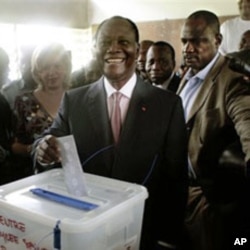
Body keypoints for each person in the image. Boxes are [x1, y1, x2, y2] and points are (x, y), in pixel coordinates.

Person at [33, 16, 188, 250]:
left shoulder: (168, 104)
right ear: (95, 49)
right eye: (105, 42)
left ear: (137, 50)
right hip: (86, 229)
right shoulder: (74, 101)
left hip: (142, 229)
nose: (113, 48)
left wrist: (167, 235)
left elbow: (176, 179)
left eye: (123, 41)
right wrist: (43, 150)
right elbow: (49, 141)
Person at [177, 10, 250, 250]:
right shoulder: (188, 76)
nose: (189, 48)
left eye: (198, 41)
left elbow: (246, 120)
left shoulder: (232, 78)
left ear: (217, 41)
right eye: (185, 41)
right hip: (179, 195)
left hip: (210, 201)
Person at [12, 42, 72, 179]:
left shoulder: (78, 98)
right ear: (37, 72)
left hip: (77, 174)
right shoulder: (23, 102)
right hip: (37, 177)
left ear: (66, 68)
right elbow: (15, 145)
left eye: (57, 66)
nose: (52, 72)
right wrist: (38, 149)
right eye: (45, 68)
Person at [1, 45, 37, 110]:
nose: (25, 66)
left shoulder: (51, 89)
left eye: (29, 62)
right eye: (22, 62)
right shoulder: (9, 92)